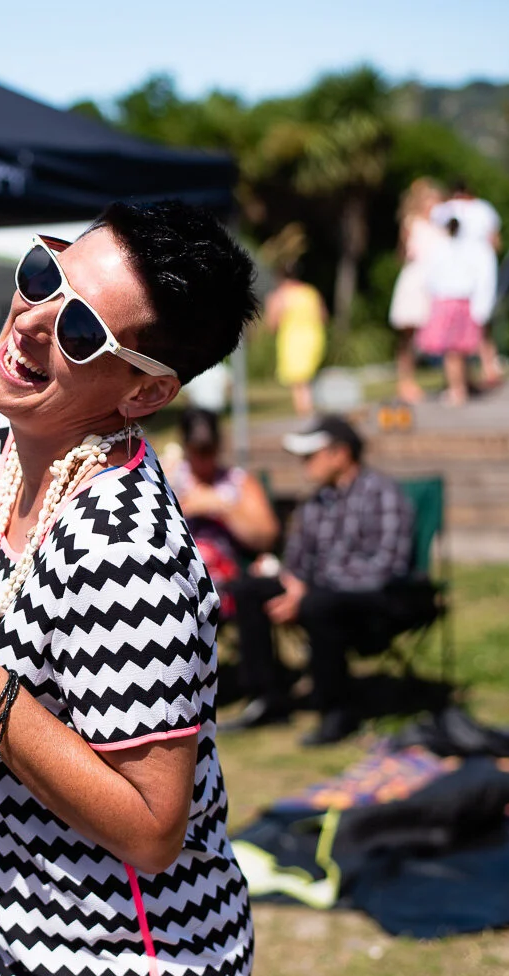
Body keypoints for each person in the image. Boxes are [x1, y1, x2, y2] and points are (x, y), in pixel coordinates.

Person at [0, 201, 256, 976]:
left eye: (80, 330)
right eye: (44, 275)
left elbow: (153, 828)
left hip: (131, 967)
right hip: (11, 941)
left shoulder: (127, 551)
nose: (33, 320)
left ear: (145, 392)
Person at [224, 416, 415, 746]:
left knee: (319, 603)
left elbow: (386, 567)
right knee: (249, 589)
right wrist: (288, 581)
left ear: (340, 454)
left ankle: (337, 709)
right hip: (316, 593)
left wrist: (306, 589)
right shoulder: (314, 503)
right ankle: (267, 698)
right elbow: (297, 563)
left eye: (310, 456)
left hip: (377, 601)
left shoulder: (382, 494)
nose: (304, 464)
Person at [165, 408, 280, 610]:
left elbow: (266, 536)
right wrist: (186, 507)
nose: (203, 458)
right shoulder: (168, 477)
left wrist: (223, 507)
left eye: (209, 450)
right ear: (185, 446)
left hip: (227, 580)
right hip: (177, 575)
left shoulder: (238, 481)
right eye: (197, 450)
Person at [417, 216, 498, 407]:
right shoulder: (470, 249)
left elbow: (430, 278)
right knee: (458, 351)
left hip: (448, 302)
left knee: (453, 352)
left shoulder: (440, 249)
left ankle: (457, 389)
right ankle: (461, 386)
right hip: (461, 302)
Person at [431, 179, 503, 388]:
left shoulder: (447, 210)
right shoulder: (484, 209)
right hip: (478, 269)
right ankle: (488, 366)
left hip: (456, 278)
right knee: (480, 320)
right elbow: (495, 241)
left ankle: (478, 372)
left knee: (466, 325)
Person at [387, 178, 448, 404]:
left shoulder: (442, 225)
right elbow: (403, 254)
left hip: (438, 284)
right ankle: (406, 382)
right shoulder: (412, 223)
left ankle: (454, 379)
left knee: (445, 334)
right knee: (408, 336)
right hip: (416, 283)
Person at [264, 263, 327, 417]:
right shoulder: (310, 291)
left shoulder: (279, 296)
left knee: (298, 381)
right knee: (305, 379)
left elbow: (272, 324)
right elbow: (323, 316)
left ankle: (305, 413)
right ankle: (307, 411)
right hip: (314, 337)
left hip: (292, 340)